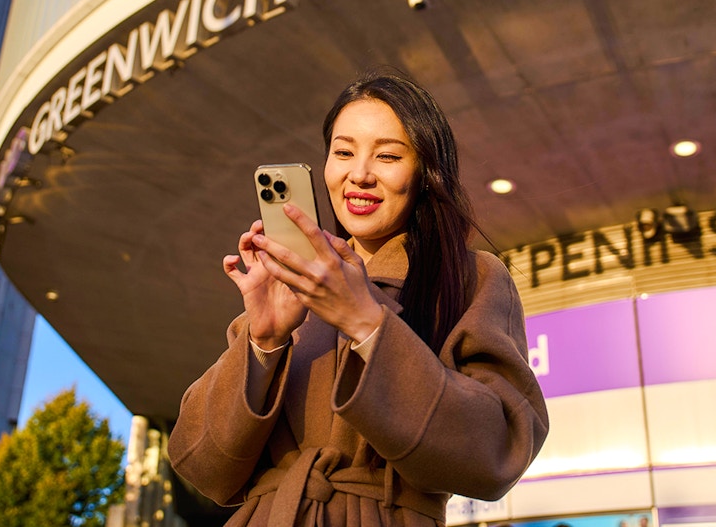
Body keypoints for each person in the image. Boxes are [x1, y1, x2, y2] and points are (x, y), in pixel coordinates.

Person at [168, 72, 549, 527]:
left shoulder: (474, 278)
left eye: (387, 155)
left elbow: (498, 452)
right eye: (343, 152)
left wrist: (368, 324)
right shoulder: (285, 285)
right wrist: (263, 341)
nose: (360, 175)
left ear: (426, 172)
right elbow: (200, 466)